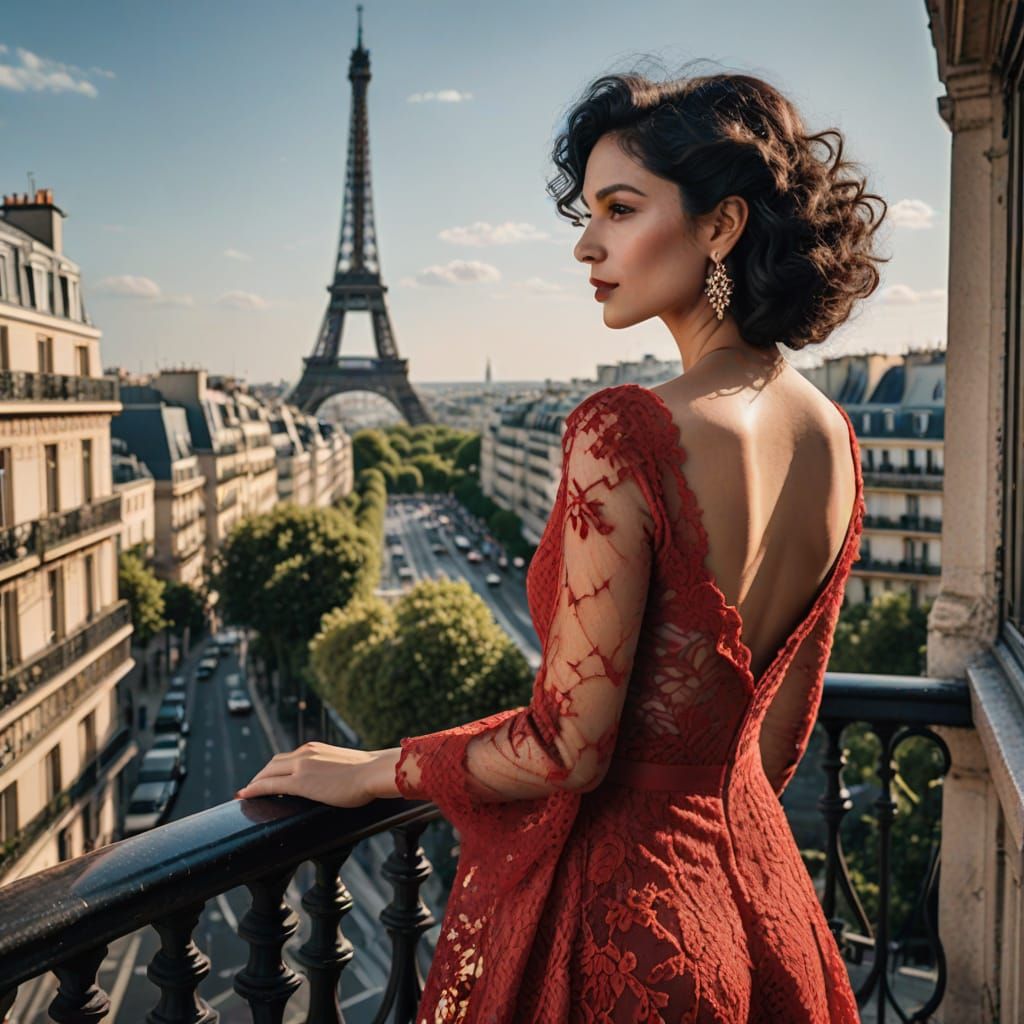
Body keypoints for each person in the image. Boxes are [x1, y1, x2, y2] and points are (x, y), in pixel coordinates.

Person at [238, 67, 885, 1022]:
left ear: (721, 226)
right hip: (764, 907)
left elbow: (566, 748)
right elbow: (776, 738)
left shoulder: (621, 428)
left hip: (630, 929)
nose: (586, 246)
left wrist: (377, 768)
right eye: (586, 214)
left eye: (620, 210)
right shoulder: (831, 435)